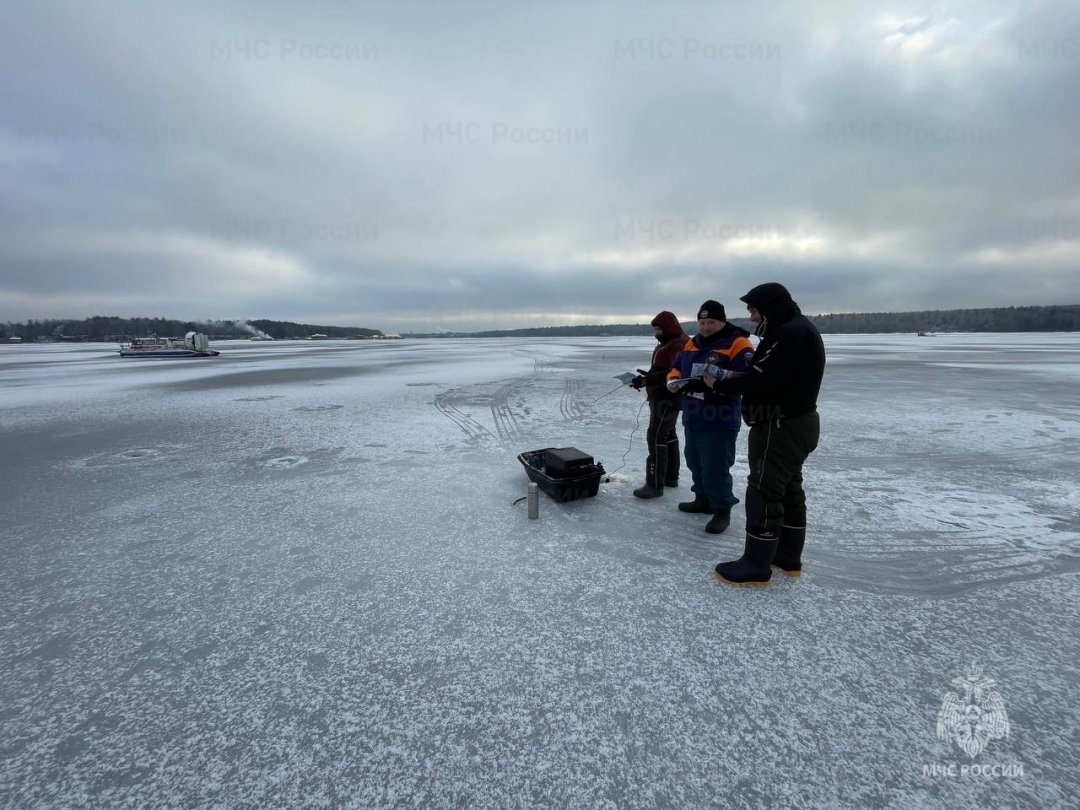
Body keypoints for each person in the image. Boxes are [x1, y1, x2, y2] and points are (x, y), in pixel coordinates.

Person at [704, 282, 826, 585]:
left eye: (754, 310)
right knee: (788, 488)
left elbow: (761, 382)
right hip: (797, 422)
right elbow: (767, 376)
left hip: (779, 425)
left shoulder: (788, 334)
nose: (753, 318)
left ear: (770, 307)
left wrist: (718, 384)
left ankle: (756, 564)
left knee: (763, 488)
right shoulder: (797, 330)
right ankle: (786, 556)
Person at [666, 301, 754, 533]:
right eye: (702, 322)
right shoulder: (692, 343)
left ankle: (722, 510)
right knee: (695, 461)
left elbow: (747, 377)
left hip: (719, 418)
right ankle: (702, 499)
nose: (705, 327)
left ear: (722, 321)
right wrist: (673, 381)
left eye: (711, 322)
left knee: (715, 466)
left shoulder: (738, 343)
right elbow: (676, 366)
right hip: (693, 415)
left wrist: (717, 384)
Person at [631, 311, 688, 498]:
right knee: (668, 434)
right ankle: (671, 477)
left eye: (658, 329)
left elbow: (675, 373)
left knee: (656, 436)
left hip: (667, 398)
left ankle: (655, 484)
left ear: (668, 328)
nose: (656, 333)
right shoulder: (666, 344)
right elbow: (659, 371)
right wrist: (645, 380)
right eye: (655, 329)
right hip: (661, 396)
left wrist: (651, 378)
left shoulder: (678, 344)